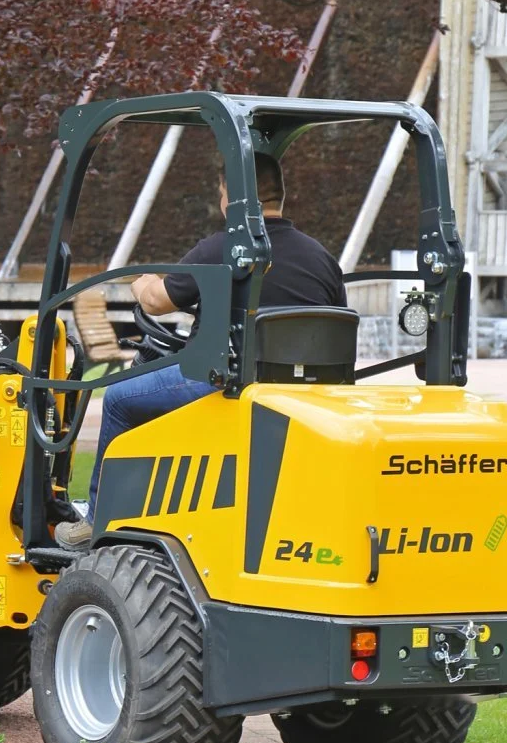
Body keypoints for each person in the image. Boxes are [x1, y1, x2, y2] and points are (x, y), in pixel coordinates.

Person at [55, 153, 344, 546]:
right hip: (303, 392)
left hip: (230, 383)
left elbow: (157, 301)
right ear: (282, 194)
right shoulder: (321, 258)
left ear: (231, 195)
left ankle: (100, 517)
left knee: (121, 398)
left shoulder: (224, 247)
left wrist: (141, 281)